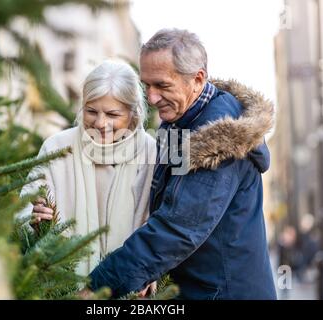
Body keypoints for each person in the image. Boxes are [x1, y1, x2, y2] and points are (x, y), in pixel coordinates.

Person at [86, 29, 277, 299]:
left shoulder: (217, 139)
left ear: (197, 79)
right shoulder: (180, 122)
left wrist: (98, 286)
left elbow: (176, 229)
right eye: (146, 85)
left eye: (162, 85)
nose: (151, 98)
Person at [16, 60, 157, 281]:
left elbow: (160, 225)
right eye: (91, 111)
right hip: (63, 284)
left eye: (112, 114)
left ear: (133, 113)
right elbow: (23, 210)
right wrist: (33, 221)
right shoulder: (57, 147)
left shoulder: (152, 153)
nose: (100, 123)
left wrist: (148, 272)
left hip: (129, 287)